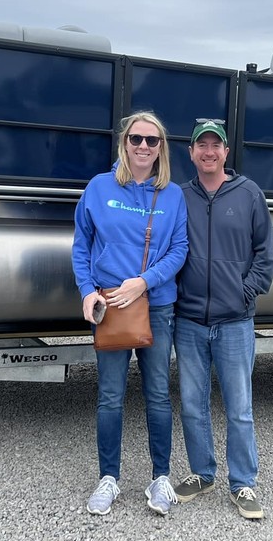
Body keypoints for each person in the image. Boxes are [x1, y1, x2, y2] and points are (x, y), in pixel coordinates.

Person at [71, 111, 189, 516]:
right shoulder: (99, 187)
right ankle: (109, 478)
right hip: (110, 307)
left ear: (161, 149)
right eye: (136, 139)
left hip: (155, 307)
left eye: (151, 141)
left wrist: (144, 281)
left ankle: (160, 478)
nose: (143, 147)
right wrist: (87, 291)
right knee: (110, 396)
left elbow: (179, 250)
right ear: (124, 143)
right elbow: (81, 245)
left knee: (158, 394)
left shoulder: (171, 194)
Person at [172, 118, 273, 520]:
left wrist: (244, 292)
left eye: (216, 145)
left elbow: (265, 254)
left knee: (239, 407)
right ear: (192, 152)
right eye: (202, 145)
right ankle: (203, 473)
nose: (209, 152)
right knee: (193, 405)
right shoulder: (179, 196)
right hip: (190, 321)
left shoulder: (249, 194)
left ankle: (243, 483)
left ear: (226, 152)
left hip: (235, 322)